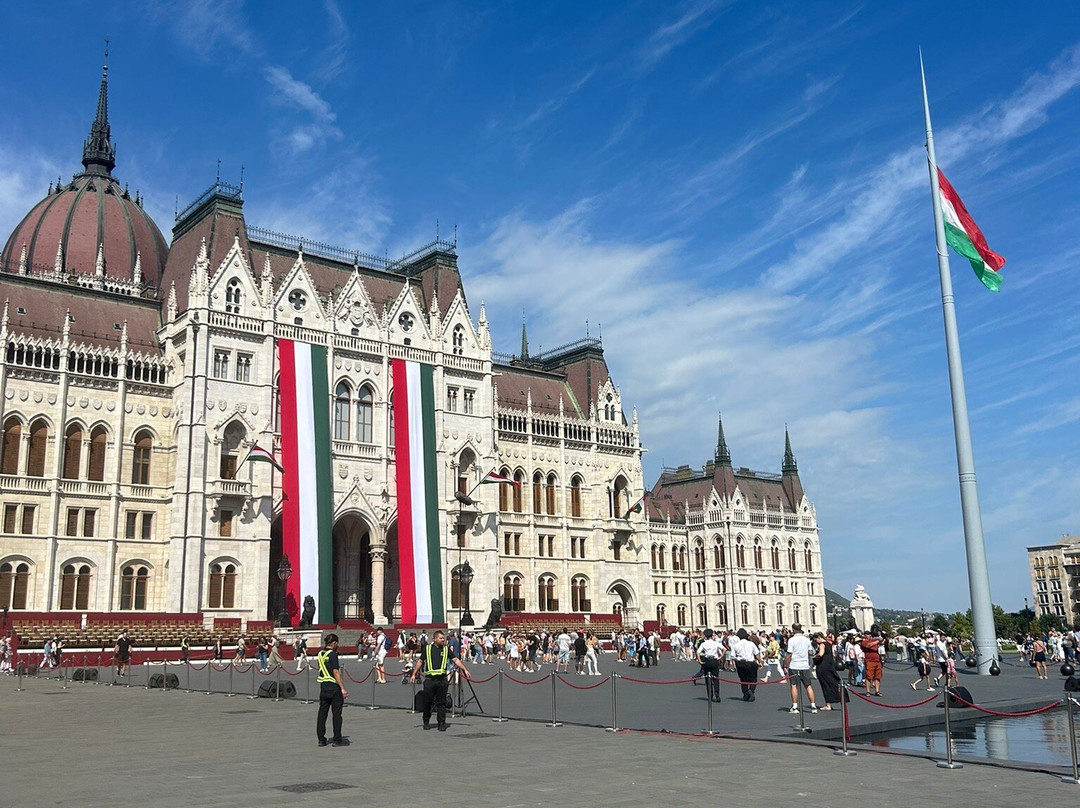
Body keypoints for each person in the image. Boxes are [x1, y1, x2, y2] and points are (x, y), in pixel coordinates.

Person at [410, 630, 471, 731]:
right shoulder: (428, 649)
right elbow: (420, 661)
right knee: (428, 702)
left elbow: (455, 660)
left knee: (441, 702)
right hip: (430, 680)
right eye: (441, 638)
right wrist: (413, 674)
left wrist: (465, 669)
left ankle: (441, 723)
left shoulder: (446, 649)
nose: (443, 640)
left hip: (442, 680)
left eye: (443, 638)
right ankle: (426, 721)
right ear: (434, 639)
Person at [315, 633, 349, 747]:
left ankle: (321, 739)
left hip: (323, 687)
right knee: (336, 714)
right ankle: (337, 739)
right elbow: (335, 672)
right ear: (334, 643)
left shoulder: (320, 653)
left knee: (322, 714)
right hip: (334, 688)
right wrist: (342, 688)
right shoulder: (333, 655)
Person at [783, 623, 818, 713]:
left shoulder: (791, 640)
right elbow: (810, 652)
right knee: (808, 685)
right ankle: (813, 706)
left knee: (794, 685)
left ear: (793, 630)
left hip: (794, 665)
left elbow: (789, 654)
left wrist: (785, 665)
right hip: (805, 665)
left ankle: (795, 706)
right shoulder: (806, 640)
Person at [813, 633, 841, 710]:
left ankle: (828, 704)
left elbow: (821, 654)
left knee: (825, 685)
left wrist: (815, 656)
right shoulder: (829, 644)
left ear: (818, 638)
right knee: (832, 683)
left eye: (816, 640)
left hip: (822, 667)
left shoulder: (822, 644)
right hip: (829, 666)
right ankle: (839, 698)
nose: (816, 642)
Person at [732, 629, 761, 702]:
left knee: (743, 680)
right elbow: (757, 654)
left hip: (740, 663)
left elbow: (732, 656)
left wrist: (737, 660)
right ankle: (751, 690)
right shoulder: (751, 644)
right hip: (750, 663)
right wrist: (760, 662)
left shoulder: (735, 645)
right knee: (753, 679)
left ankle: (745, 694)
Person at [696, 628, 723, 702]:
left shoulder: (704, 644)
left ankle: (710, 696)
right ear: (712, 635)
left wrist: (700, 661)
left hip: (707, 661)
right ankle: (717, 694)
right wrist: (720, 657)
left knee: (708, 679)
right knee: (716, 678)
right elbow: (724, 649)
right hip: (714, 660)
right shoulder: (715, 643)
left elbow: (698, 652)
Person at [859, 626, 884, 697]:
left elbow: (882, 640)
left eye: (870, 634)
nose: (869, 635)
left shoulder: (874, 640)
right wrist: (878, 641)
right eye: (868, 634)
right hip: (869, 661)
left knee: (878, 677)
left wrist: (880, 635)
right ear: (865, 636)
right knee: (869, 676)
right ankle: (868, 691)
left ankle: (877, 691)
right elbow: (868, 646)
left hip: (877, 661)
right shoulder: (864, 642)